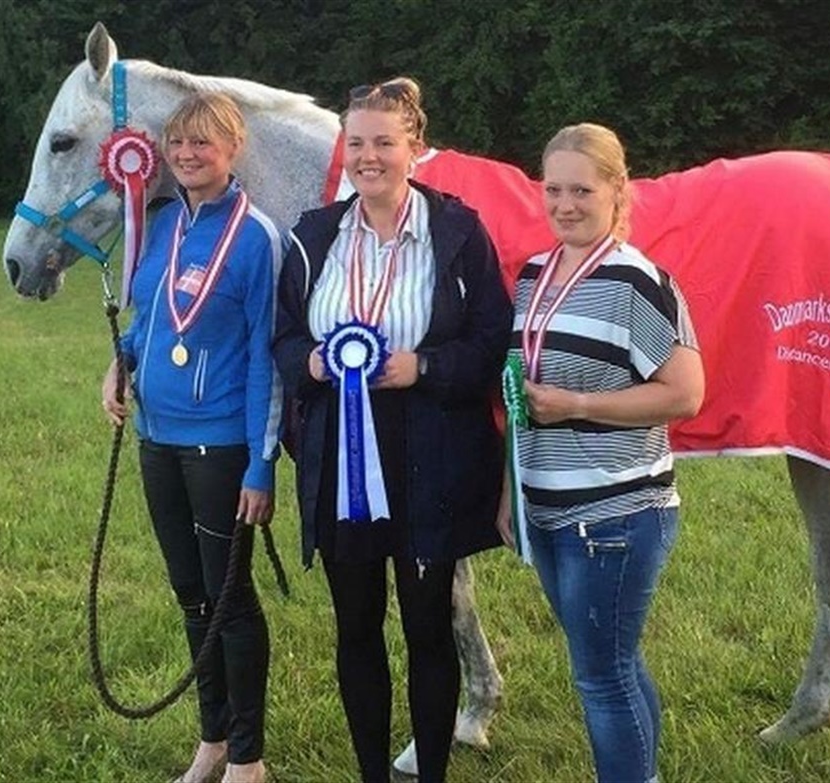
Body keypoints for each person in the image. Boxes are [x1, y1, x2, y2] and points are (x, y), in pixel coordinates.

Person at [272, 77, 510, 783]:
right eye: (356, 143)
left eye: (383, 142)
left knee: (428, 627)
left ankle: (431, 771)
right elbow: (283, 337)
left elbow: (491, 341)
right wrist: (312, 361)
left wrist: (423, 366)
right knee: (356, 628)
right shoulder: (315, 234)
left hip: (430, 456)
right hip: (340, 462)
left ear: (415, 147)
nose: (367, 156)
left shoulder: (457, 232)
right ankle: (373, 773)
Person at [496, 123, 705, 783]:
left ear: (618, 190)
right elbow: (521, 392)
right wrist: (510, 491)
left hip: (616, 513)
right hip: (547, 509)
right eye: (554, 189)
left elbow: (686, 393)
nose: (565, 205)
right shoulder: (533, 275)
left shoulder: (637, 282)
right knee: (613, 663)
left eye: (582, 190)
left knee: (601, 676)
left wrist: (579, 404)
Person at [100, 92, 285, 783]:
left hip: (220, 446)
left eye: (202, 142)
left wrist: (261, 464)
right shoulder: (165, 224)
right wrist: (120, 362)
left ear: (233, 149)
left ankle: (248, 756)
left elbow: (267, 357)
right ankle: (212, 740)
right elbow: (150, 316)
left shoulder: (258, 237)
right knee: (190, 595)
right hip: (157, 437)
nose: (186, 154)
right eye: (177, 142)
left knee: (229, 600)